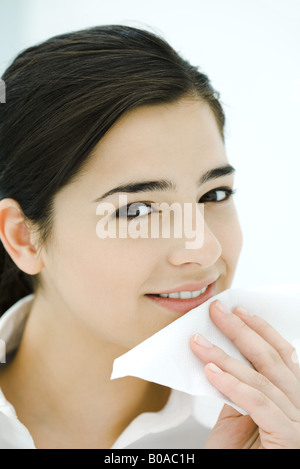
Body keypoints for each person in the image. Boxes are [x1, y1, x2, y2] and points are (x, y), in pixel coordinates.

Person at [0, 25, 299, 450]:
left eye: (214, 194)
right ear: (24, 238)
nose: (205, 249)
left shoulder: (277, 428)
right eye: (138, 210)